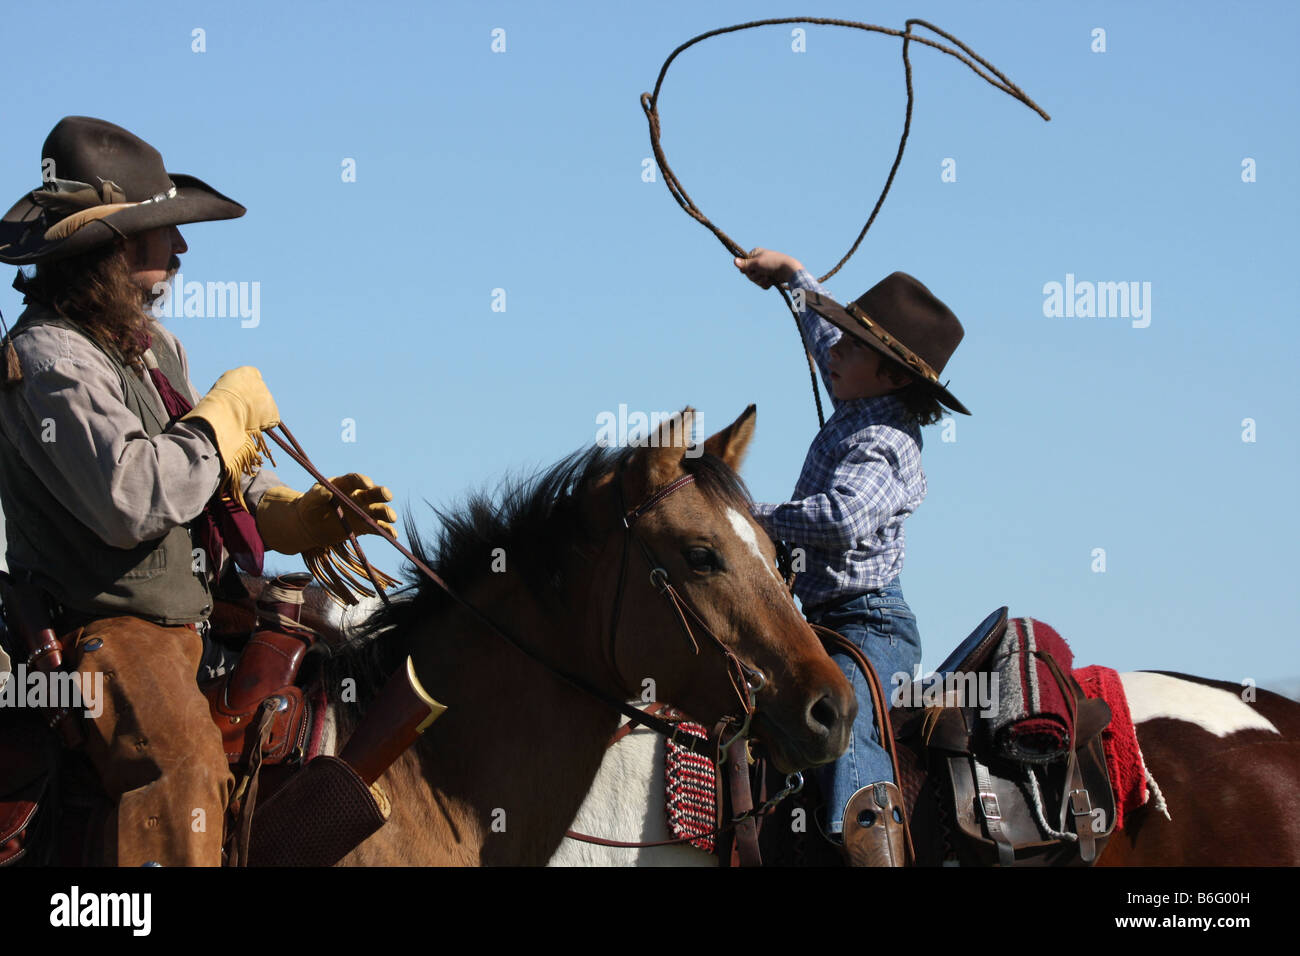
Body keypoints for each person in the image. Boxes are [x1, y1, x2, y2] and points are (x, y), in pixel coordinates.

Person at [0, 116, 396, 865]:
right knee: (181, 767)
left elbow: (219, 477)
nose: (180, 247)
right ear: (113, 248)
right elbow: (133, 497)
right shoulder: (46, 358)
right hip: (106, 629)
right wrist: (219, 424)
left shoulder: (157, 350)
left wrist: (294, 513)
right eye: (163, 231)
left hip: (204, 613)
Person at [734, 247, 970, 866]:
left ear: (892, 375)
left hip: (869, 626)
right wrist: (791, 276)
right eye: (839, 343)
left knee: (843, 719)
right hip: (817, 620)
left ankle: (872, 849)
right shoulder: (857, 396)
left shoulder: (887, 444)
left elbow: (841, 519)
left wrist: (756, 520)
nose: (833, 353)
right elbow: (821, 334)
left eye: (852, 348)